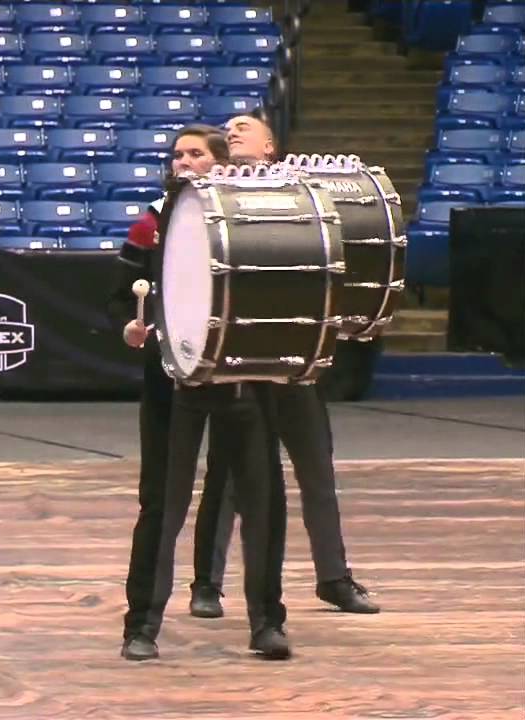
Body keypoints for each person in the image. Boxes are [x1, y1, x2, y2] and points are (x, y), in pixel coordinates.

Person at [189, 114, 380, 615]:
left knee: (316, 471)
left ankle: (334, 576)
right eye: (228, 130)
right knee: (227, 476)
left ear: (270, 146)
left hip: (294, 353)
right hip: (237, 357)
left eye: (245, 128)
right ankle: (206, 583)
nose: (233, 132)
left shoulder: (307, 195)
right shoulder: (210, 195)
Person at [114, 125, 290, 661]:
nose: (183, 162)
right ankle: (141, 626)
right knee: (161, 505)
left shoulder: (256, 220)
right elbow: (121, 296)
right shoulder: (152, 220)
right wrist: (129, 323)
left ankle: (267, 623)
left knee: (262, 503)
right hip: (172, 377)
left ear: (220, 162)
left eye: (195, 154)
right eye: (177, 154)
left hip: (243, 377)